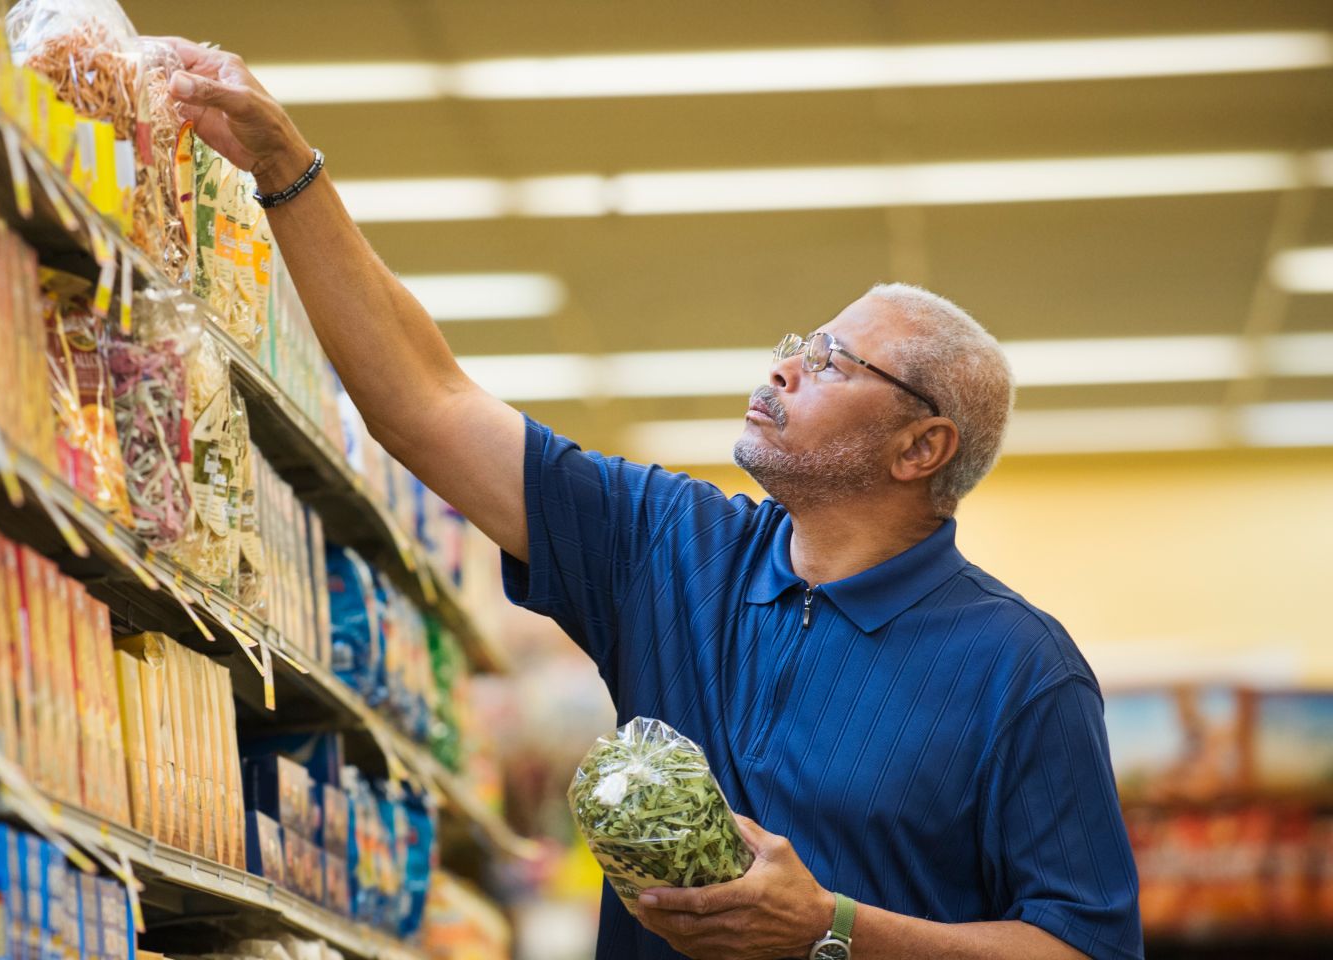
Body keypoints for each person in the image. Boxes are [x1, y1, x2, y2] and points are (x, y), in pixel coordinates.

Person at [163, 41, 1143, 960]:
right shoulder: (672, 546)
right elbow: (427, 405)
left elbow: (1085, 946)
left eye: (832, 361)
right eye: (799, 342)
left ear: (921, 446)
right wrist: (285, 168)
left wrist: (831, 927)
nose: (784, 368)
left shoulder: (1021, 669)